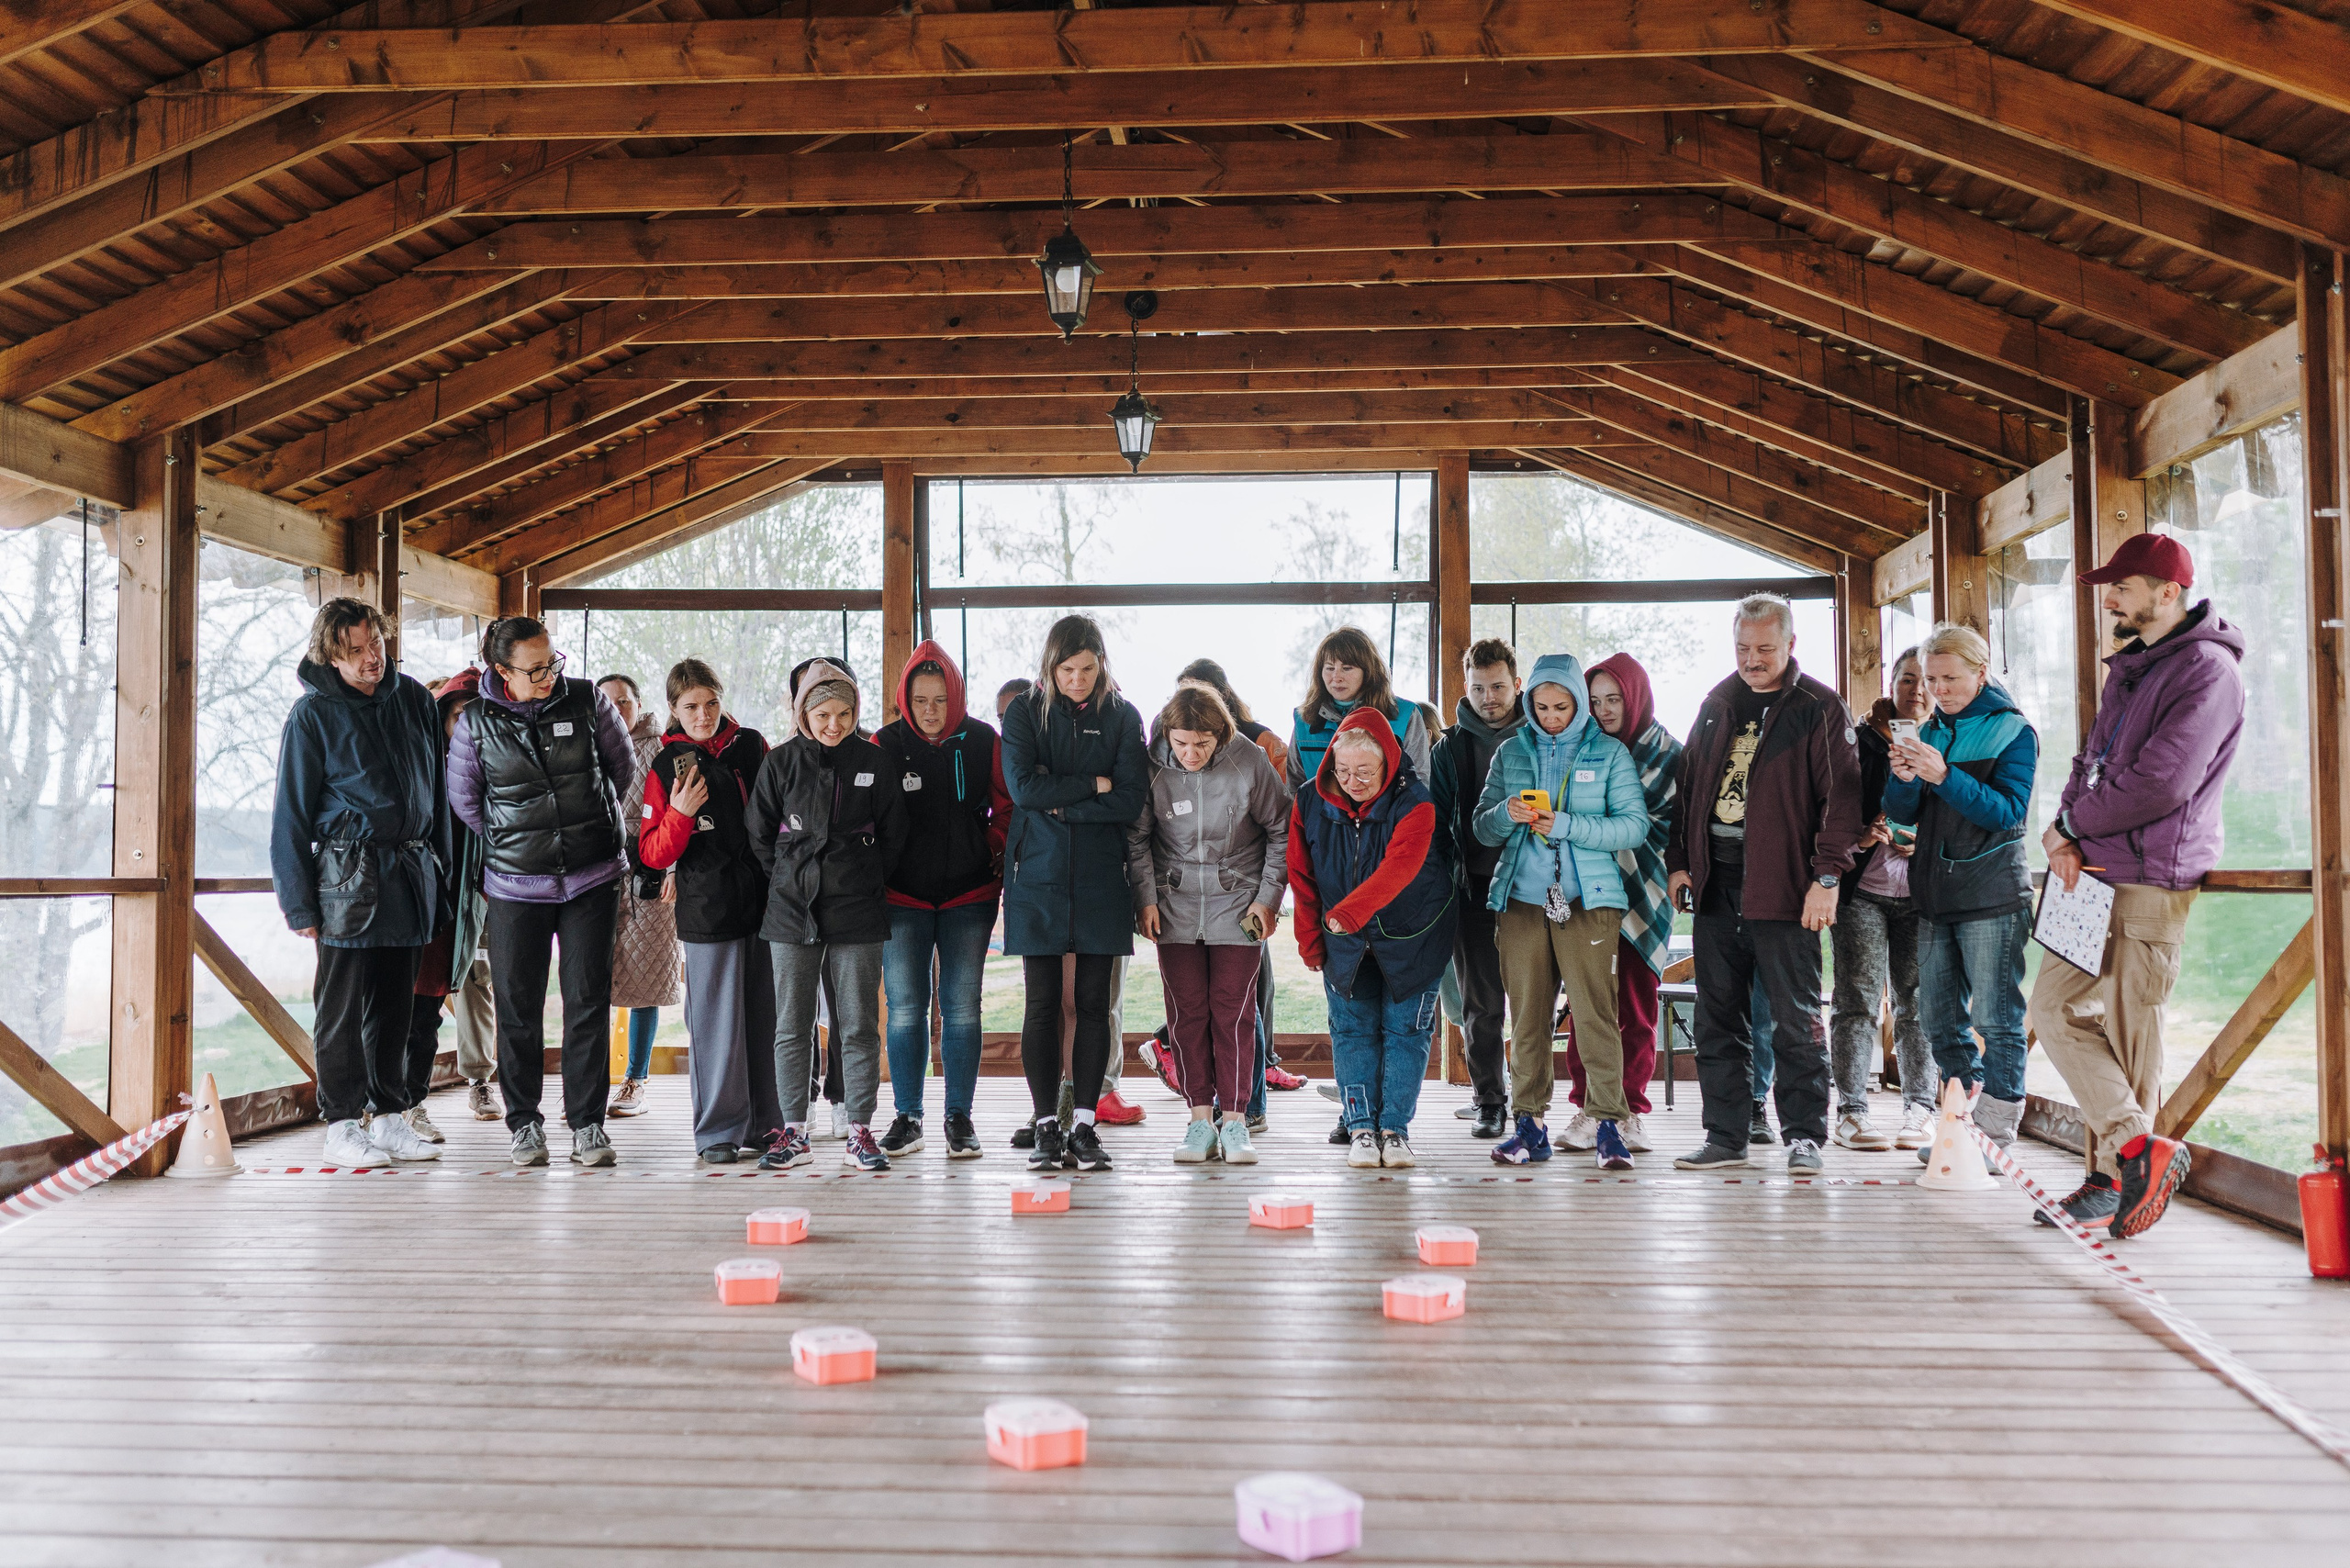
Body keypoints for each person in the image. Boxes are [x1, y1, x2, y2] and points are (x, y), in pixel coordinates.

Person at [2030, 533, 2244, 1237]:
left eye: (2122, 587)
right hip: (2087, 872)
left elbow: (2162, 783)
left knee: (2130, 1035)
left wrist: (2072, 825)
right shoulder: (2131, 667)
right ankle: (2134, 1149)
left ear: (2168, 592)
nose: (2110, 600)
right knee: (2053, 1010)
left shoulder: (2208, 671)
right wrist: (2062, 829)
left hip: (2150, 875)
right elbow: (2088, 761)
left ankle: (2108, 1180)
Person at [1665, 595, 1862, 1176]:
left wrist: (1827, 877)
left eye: (1765, 649)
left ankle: (1805, 1137)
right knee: (1717, 1017)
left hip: (1786, 888)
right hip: (1716, 886)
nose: (1752, 659)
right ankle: (1725, 1135)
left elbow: (1843, 801)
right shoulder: (1716, 704)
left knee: (1794, 1017)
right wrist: (1680, 862)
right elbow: (1687, 790)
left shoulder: (1819, 707)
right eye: (1743, 648)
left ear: (1791, 645)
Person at [448, 617, 636, 1169]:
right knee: (518, 1006)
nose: (548, 675)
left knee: (586, 1001)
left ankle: (588, 1124)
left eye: (552, 662)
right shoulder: (476, 722)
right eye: (533, 669)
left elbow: (621, 769)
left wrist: (584, 825)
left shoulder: (587, 700)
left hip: (591, 878)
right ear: (502, 671)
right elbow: (467, 802)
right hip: (515, 887)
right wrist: (517, 840)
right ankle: (525, 1123)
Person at [271, 598, 447, 1169]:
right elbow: (290, 815)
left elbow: (438, 795)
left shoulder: (415, 699)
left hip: (411, 874)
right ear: (331, 655)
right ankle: (343, 1125)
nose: (373, 657)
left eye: (377, 643)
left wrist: (442, 878)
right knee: (341, 1011)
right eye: (356, 650)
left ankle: (391, 1117)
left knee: (398, 1006)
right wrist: (298, 904)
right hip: (345, 879)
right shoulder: (311, 715)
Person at [1472, 655, 1649, 1169]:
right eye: (1542, 707)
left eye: (1562, 707)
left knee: (1595, 1014)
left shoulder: (1610, 753)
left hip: (1589, 903)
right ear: (1529, 703)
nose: (1551, 717)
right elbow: (1482, 827)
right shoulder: (1510, 751)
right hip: (1521, 902)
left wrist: (1566, 825)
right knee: (1527, 1017)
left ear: (1579, 706)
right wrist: (1505, 814)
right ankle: (1529, 1127)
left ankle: (1609, 1126)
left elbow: (1634, 826)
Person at [1883, 622, 2039, 1165]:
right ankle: (1962, 1122)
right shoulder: (1928, 731)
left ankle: (1995, 1135)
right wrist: (1904, 778)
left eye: (1950, 678)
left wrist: (1944, 774)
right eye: (1931, 679)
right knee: (1938, 1021)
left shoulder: (2014, 731)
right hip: (1935, 896)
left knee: (1997, 1020)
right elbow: (1902, 816)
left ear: (1981, 672)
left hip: (1993, 895)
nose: (1938, 690)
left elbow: (2008, 813)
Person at [1001, 615, 1149, 1174]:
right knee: (1041, 1004)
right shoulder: (1024, 712)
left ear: (1101, 664)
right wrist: (1092, 784)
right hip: (1036, 877)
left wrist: (1062, 804)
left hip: (1100, 879)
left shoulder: (1123, 716)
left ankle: (1084, 1125)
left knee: (1092, 1005)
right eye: (1068, 670)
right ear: (1051, 666)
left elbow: (1130, 799)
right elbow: (1023, 788)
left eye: (1088, 669)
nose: (1078, 679)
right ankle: (1046, 1125)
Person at [747, 660, 909, 1172]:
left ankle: (860, 1131)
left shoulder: (874, 760)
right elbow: (759, 833)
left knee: (859, 1025)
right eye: (822, 714)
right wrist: (788, 876)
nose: (833, 724)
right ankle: (794, 1132)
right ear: (803, 714)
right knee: (791, 1026)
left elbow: (895, 834)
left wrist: (862, 874)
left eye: (843, 713)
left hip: (858, 909)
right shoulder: (780, 761)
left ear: (855, 712)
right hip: (791, 911)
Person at [1127, 684, 1289, 1166]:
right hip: (1173, 907)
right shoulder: (1152, 766)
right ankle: (1199, 1120)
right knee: (1186, 1014)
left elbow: (1282, 830)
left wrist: (1267, 900)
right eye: (1181, 743)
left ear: (1221, 734)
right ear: (1167, 735)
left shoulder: (1249, 761)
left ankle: (1235, 1122)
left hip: (1239, 906)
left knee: (1234, 1013)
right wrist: (1146, 899)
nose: (1191, 753)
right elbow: (1137, 838)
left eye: (1202, 743)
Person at [1289, 710, 1458, 1169]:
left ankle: (1395, 1130)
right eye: (1343, 770)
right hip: (1343, 940)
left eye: (1365, 771)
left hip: (1413, 936)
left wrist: (1346, 914)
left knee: (1406, 1032)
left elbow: (1399, 869)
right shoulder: (1309, 800)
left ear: (1389, 762)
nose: (1353, 782)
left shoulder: (1416, 801)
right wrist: (1309, 937)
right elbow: (1301, 875)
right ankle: (1361, 1127)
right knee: (1351, 1031)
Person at [635, 658, 781, 1165]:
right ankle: (718, 1131)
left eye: (712, 703)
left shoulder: (753, 746)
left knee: (766, 1022)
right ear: (674, 709)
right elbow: (652, 853)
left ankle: (768, 1125)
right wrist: (679, 815)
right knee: (717, 1027)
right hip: (707, 911)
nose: (704, 714)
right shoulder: (665, 766)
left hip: (765, 907)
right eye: (691, 706)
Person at [875, 641, 1011, 1159]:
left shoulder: (983, 740)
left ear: (955, 696)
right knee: (905, 1009)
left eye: (940, 699)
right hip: (901, 897)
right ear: (906, 700)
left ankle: (959, 1116)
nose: (930, 711)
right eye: (920, 700)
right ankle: (908, 1116)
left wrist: (991, 847)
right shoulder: (885, 743)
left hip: (969, 895)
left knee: (961, 1008)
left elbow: (1006, 806)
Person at [1559, 652, 1683, 1158]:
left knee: (1635, 1006)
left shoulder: (1670, 754)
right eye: (1595, 701)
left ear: (1636, 698)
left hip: (1646, 894)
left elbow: (1677, 828)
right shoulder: (1577, 749)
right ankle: (1589, 1107)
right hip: (1588, 890)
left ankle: (1629, 1110)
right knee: (1586, 1005)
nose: (1605, 710)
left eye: (1615, 699)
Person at [1177, 656, 1304, 1108]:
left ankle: (1248, 1105)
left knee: (1245, 998)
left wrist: (1266, 894)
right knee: (1202, 1003)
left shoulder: (1257, 743)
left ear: (1222, 697)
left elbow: (1283, 812)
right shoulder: (1172, 751)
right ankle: (1210, 1097)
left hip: (1247, 892)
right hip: (1189, 901)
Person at [1829, 648, 1934, 1152]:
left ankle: (1921, 1110)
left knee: (1918, 1004)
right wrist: (1863, 834)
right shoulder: (1859, 740)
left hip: (1924, 893)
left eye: (1927, 680)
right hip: (1863, 891)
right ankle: (1851, 1112)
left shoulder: (1949, 739)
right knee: (1857, 1001)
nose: (1917, 690)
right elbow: (1829, 808)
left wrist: (1924, 840)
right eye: (1907, 679)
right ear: (1891, 685)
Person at [1428, 638, 1526, 1139]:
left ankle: (1530, 1102)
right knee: (1481, 1004)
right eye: (1479, 687)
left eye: (1498, 686)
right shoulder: (1449, 748)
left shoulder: (1542, 736)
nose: (1489, 697)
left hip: (1531, 889)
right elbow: (1436, 824)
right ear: (1465, 688)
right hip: (1473, 889)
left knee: (1531, 1004)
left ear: (1517, 684)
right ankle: (1489, 1100)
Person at [399, 669, 493, 1143]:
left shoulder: (491, 774)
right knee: (390, 1008)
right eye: (460, 716)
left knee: (427, 1013)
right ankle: (374, 1108)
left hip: (458, 910)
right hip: (409, 902)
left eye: (478, 718)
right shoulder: (420, 764)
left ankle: (412, 1103)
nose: (468, 727)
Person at [599, 672, 679, 1119]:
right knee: (593, 982)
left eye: (625, 701)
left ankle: (636, 1078)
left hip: (649, 873)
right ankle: (591, 1080)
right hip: (599, 875)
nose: (617, 709)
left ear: (639, 703)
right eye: (608, 702)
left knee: (646, 980)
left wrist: (673, 868)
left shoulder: (661, 748)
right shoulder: (588, 745)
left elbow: (679, 814)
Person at [1286, 625, 1432, 791]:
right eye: (1330, 668)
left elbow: (1419, 785)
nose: (1336, 677)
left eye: (1347, 668)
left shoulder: (1404, 716)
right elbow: (1295, 788)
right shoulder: (1305, 719)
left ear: (1368, 671)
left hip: (1390, 808)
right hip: (1320, 808)